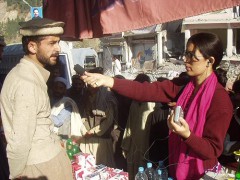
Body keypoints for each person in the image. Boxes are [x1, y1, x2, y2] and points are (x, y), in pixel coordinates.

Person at [81, 32, 233, 179]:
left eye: (192, 56)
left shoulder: (220, 100)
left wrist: (187, 135)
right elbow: (144, 90)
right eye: (186, 53)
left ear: (210, 61)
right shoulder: (184, 86)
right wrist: (108, 80)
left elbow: (212, 150)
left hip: (202, 174)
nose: (185, 59)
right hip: (176, 167)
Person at [0, 18, 73, 180]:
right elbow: (20, 141)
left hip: (46, 161)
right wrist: (16, 173)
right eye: (52, 43)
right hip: (38, 167)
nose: (58, 48)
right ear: (32, 46)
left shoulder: (31, 75)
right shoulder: (25, 82)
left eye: (58, 42)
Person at [121, 73, 155, 179]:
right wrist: (125, 145)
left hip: (146, 147)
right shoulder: (134, 103)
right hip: (133, 146)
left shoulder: (153, 104)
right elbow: (129, 124)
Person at [50, 77, 87, 142]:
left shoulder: (67, 103)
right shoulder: (49, 100)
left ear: (64, 90)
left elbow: (58, 121)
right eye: (56, 87)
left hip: (62, 136)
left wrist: (44, 116)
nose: (58, 90)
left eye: (61, 88)